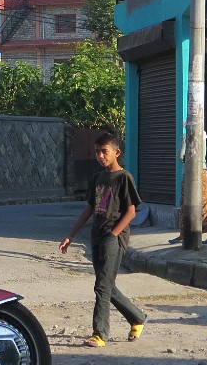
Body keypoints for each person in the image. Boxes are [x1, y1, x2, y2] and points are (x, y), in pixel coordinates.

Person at [59, 132, 146, 348]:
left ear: (116, 152)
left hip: (112, 238)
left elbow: (131, 212)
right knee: (106, 285)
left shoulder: (124, 178)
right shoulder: (98, 178)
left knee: (102, 286)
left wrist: (114, 234)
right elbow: (89, 208)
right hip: (96, 235)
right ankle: (137, 317)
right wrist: (71, 235)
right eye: (97, 152)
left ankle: (100, 333)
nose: (100, 156)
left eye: (104, 152)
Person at [170, 126, 207, 245]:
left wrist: (183, 141)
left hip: (190, 173)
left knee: (185, 202)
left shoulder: (187, 137)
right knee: (205, 202)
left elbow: (181, 157)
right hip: (203, 171)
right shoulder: (203, 135)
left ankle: (183, 232)